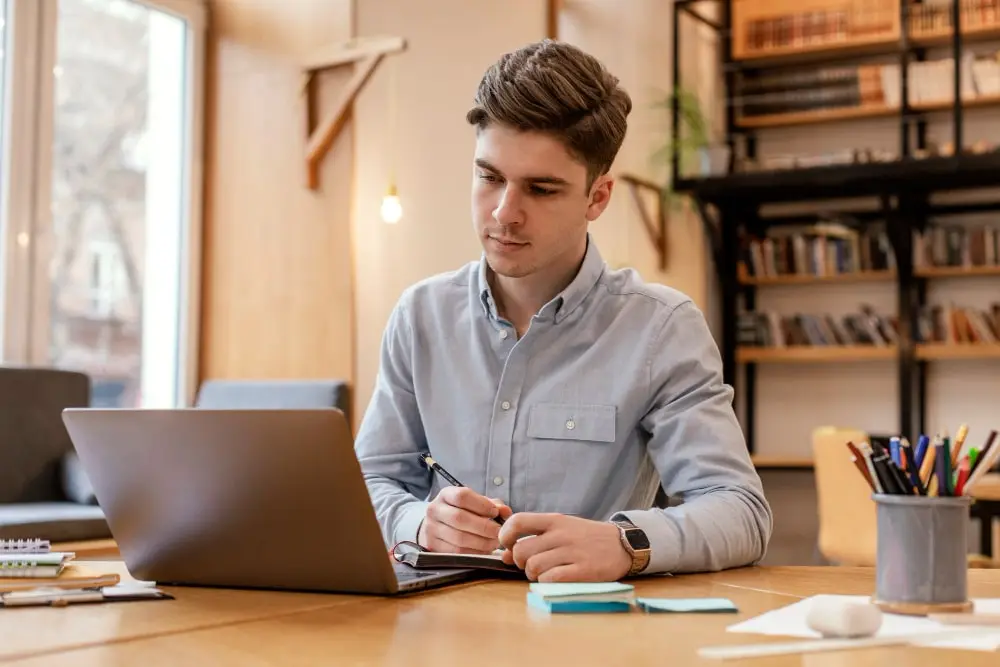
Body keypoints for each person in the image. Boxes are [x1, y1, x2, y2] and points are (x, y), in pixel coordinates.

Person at [354, 39, 772, 583]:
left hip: (584, 634)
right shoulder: (421, 316)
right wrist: (418, 521)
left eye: (541, 189)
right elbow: (369, 482)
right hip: (432, 630)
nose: (505, 213)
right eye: (489, 177)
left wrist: (628, 543)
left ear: (597, 198)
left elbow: (741, 510)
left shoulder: (660, 329)